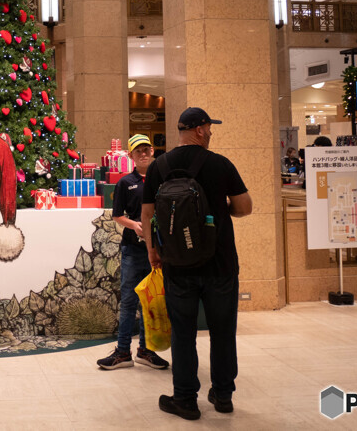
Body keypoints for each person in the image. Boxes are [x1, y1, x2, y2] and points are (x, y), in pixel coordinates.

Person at [142, 107, 253, 420]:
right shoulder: (220, 164)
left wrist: (153, 251)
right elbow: (245, 207)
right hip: (220, 264)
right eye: (210, 127)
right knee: (222, 331)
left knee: (183, 332)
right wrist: (218, 208)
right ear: (201, 129)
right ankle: (222, 394)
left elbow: (148, 213)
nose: (211, 133)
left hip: (177, 264)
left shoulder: (158, 166)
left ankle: (185, 399)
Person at [96, 134, 171, 371]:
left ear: (153, 151)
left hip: (159, 251)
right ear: (131, 156)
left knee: (151, 301)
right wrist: (135, 225)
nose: (143, 154)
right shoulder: (125, 183)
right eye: (138, 151)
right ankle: (122, 352)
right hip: (132, 250)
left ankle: (146, 351)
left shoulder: (163, 181)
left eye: (147, 149)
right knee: (128, 301)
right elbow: (117, 215)